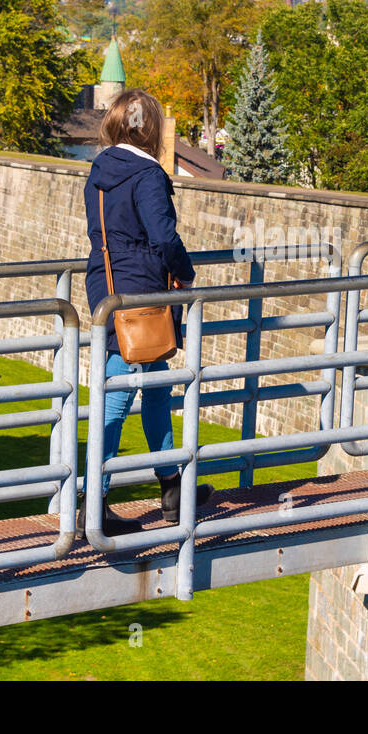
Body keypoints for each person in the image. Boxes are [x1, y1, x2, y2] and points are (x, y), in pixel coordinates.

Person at [83, 89, 214, 535]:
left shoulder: (99, 171)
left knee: (150, 389)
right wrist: (186, 274)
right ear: (149, 128)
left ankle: (172, 486)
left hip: (106, 287)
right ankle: (94, 506)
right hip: (141, 296)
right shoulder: (148, 174)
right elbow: (163, 236)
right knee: (121, 399)